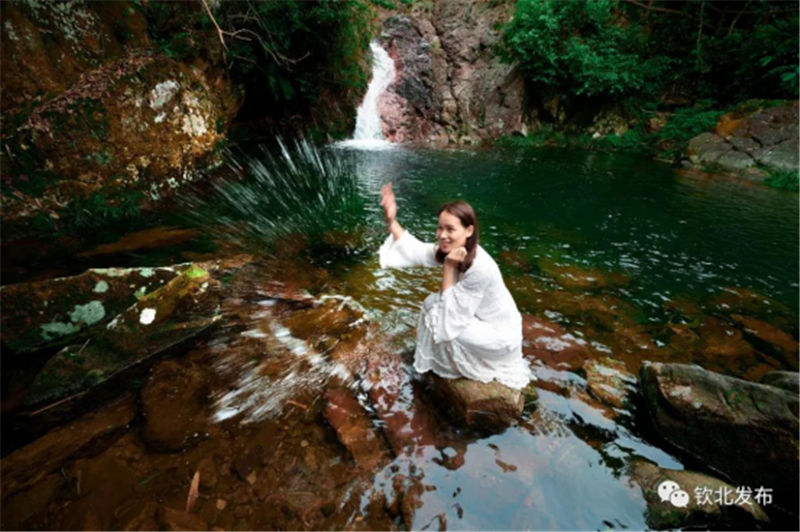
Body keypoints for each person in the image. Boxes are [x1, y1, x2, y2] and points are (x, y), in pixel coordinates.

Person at [378, 182, 531, 390]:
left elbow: (447, 321)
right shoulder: (453, 248)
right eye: (440, 227)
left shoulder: (480, 267)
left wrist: (449, 267)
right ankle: (434, 363)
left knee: (436, 312)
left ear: (469, 230)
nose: (442, 235)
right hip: (480, 318)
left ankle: (447, 368)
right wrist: (391, 220)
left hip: (500, 336)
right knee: (432, 304)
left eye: (450, 229)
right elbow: (415, 250)